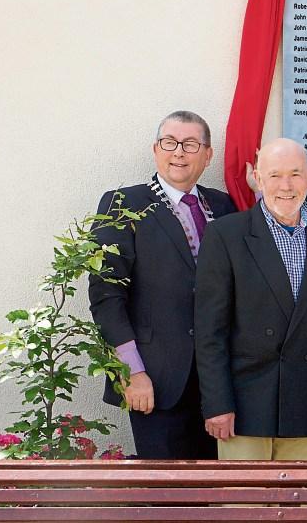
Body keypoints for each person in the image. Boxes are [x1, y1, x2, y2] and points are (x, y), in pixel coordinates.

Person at [194, 138, 307, 460]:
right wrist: (217, 403)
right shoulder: (226, 234)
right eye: (275, 175)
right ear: (258, 178)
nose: (286, 186)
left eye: (295, 174)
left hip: (303, 402)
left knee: (297, 492)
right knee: (245, 494)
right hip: (242, 407)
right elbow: (210, 331)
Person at [88, 110, 236, 459]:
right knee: (164, 487)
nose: (179, 152)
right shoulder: (123, 204)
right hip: (155, 381)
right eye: (169, 143)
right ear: (156, 150)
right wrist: (131, 371)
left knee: (216, 486)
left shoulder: (222, 205)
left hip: (219, 384)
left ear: (208, 155)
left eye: (190, 144)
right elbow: (106, 295)